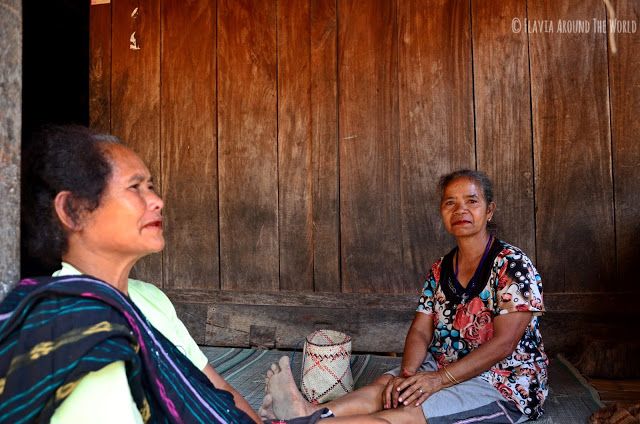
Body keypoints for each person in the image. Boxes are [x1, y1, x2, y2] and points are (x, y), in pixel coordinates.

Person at [0, 126, 261, 423]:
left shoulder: (150, 298)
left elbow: (217, 393)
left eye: (150, 186)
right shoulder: (77, 325)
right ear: (73, 210)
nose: (156, 201)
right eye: (135, 187)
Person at [260, 169, 548, 423]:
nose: (461, 210)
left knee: (402, 415)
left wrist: (438, 381)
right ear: (442, 212)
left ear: (489, 210)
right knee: (386, 390)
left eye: (472, 201)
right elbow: (421, 331)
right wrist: (408, 376)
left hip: (504, 381)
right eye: (451, 202)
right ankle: (307, 413)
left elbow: (504, 343)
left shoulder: (512, 264)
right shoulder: (441, 268)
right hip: (443, 364)